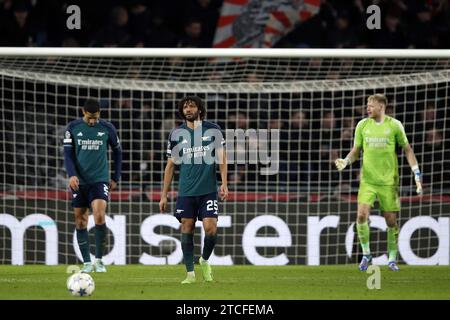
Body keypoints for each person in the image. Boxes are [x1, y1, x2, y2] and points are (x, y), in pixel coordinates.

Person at [335, 94, 422, 272]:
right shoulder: (362, 125)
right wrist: (346, 161)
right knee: (361, 215)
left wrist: (416, 173)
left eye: (371, 105)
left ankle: (391, 258)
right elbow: (356, 150)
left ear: (381, 106)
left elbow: (407, 150)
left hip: (389, 182)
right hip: (367, 181)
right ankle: (366, 255)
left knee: (390, 221)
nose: (368, 108)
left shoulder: (394, 125)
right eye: (367, 105)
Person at [159, 95, 228, 284]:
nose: (188, 110)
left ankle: (204, 260)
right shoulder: (176, 134)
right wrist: (163, 195)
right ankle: (190, 274)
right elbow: (170, 166)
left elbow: (222, 157)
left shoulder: (213, 130)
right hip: (186, 191)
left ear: (199, 109)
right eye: (185, 107)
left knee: (211, 229)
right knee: (187, 228)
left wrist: (224, 183)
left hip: (208, 190)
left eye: (192, 106)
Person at [63, 98, 122, 273]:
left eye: (95, 118)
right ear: (83, 112)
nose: (92, 121)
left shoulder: (107, 128)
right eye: (90, 118)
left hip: (99, 180)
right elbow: (68, 155)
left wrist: (115, 177)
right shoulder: (73, 128)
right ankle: (87, 262)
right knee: (80, 220)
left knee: (99, 216)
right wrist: (72, 174)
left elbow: (118, 152)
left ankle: (99, 260)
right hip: (80, 181)